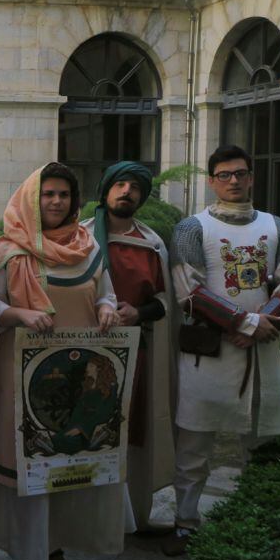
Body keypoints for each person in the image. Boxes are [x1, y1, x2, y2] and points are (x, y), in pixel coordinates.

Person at [0, 162, 124, 560]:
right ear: (31, 199)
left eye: (63, 194)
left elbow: (105, 292)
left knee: (67, 465)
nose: (56, 202)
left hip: (80, 381)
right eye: (48, 195)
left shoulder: (89, 248)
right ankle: (30, 557)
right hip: (27, 381)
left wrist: (106, 308)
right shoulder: (8, 251)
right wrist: (18, 314)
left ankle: (55, 549)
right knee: (33, 465)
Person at [163, 145, 280, 556]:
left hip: (259, 352)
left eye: (240, 173)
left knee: (258, 445)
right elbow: (188, 291)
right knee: (194, 447)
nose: (233, 181)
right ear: (211, 180)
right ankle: (185, 524)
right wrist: (244, 323)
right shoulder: (193, 228)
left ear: (251, 177)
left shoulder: (276, 226)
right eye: (224, 175)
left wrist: (260, 326)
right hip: (209, 353)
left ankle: (255, 520)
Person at [81, 161, 175, 531]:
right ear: (105, 192)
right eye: (119, 185)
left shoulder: (152, 243)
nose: (127, 192)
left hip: (139, 354)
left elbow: (167, 302)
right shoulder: (81, 238)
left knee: (134, 434)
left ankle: (131, 516)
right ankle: (87, 519)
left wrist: (137, 311)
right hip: (89, 352)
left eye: (134, 187)